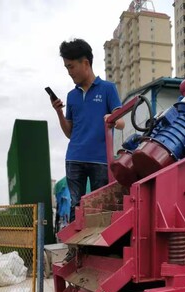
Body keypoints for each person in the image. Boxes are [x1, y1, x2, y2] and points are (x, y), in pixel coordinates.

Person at [50, 39, 124, 226]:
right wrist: (58, 111)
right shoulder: (71, 96)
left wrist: (111, 118)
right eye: (66, 67)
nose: (69, 72)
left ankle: (100, 250)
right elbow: (69, 133)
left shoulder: (108, 89)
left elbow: (121, 122)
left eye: (71, 66)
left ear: (86, 63)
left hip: (100, 159)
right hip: (74, 158)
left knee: (101, 208)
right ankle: (77, 253)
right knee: (77, 207)